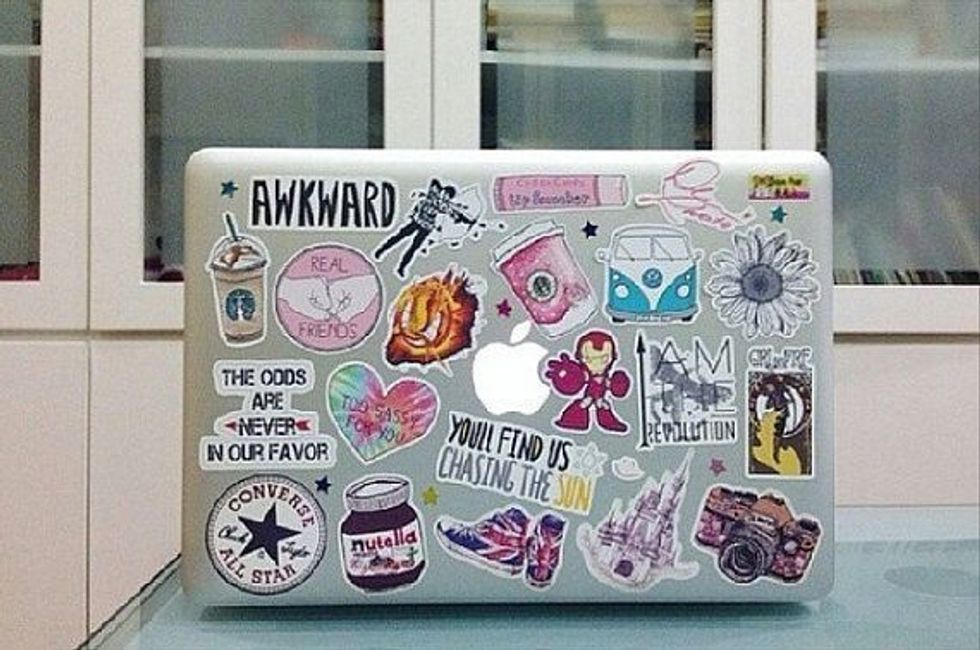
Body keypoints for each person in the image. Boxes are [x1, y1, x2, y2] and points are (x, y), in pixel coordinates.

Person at [374, 178, 476, 277]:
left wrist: (468, 221)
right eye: (444, 193)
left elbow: (456, 215)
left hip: (426, 228)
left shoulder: (445, 206)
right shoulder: (433, 194)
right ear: (442, 191)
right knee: (399, 237)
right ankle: (380, 251)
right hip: (417, 221)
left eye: (447, 196)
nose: (445, 196)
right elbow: (434, 182)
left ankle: (401, 267)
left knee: (413, 248)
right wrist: (438, 191)